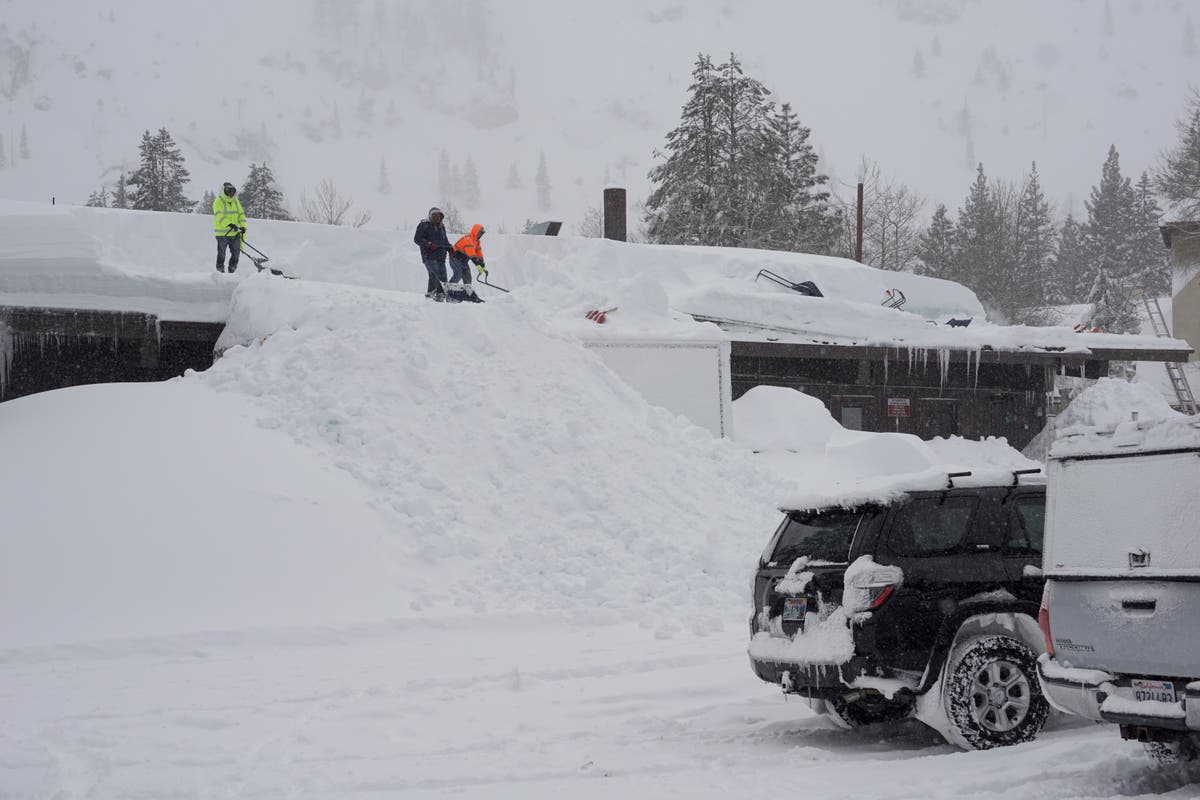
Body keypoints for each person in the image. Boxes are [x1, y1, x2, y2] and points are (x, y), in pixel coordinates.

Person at [413, 207, 452, 300]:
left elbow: (445, 240)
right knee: (434, 275)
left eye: (439, 216)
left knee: (443, 277)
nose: (437, 217)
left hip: (441, 257)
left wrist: (451, 249)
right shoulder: (423, 225)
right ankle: (431, 294)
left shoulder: (442, 227)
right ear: (430, 216)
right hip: (429, 256)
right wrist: (428, 244)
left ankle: (440, 295)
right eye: (434, 215)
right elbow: (417, 239)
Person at [447, 223, 487, 303]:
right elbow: (471, 254)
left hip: (464, 261)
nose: (480, 235)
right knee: (458, 273)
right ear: (475, 231)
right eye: (480, 233)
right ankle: (449, 292)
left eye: (482, 233)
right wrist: (477, 265)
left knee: (468, 277)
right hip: (455, 258)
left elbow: (479, 253)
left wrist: (483, 265)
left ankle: (470, 295)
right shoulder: (468, 239)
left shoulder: (477, 242)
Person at [213, 181, 247, 273]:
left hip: (235, 232)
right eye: (229, 192)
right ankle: (220, 271)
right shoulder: (218, 201)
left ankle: (232, 270)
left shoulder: (235, 201)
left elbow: (241, 214)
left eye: (233, 192)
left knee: (236, 253)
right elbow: (219, 215)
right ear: (225, 191)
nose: (231, 194)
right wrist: (229, 224)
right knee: (222, 253)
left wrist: (243, 226)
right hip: (222, 233)